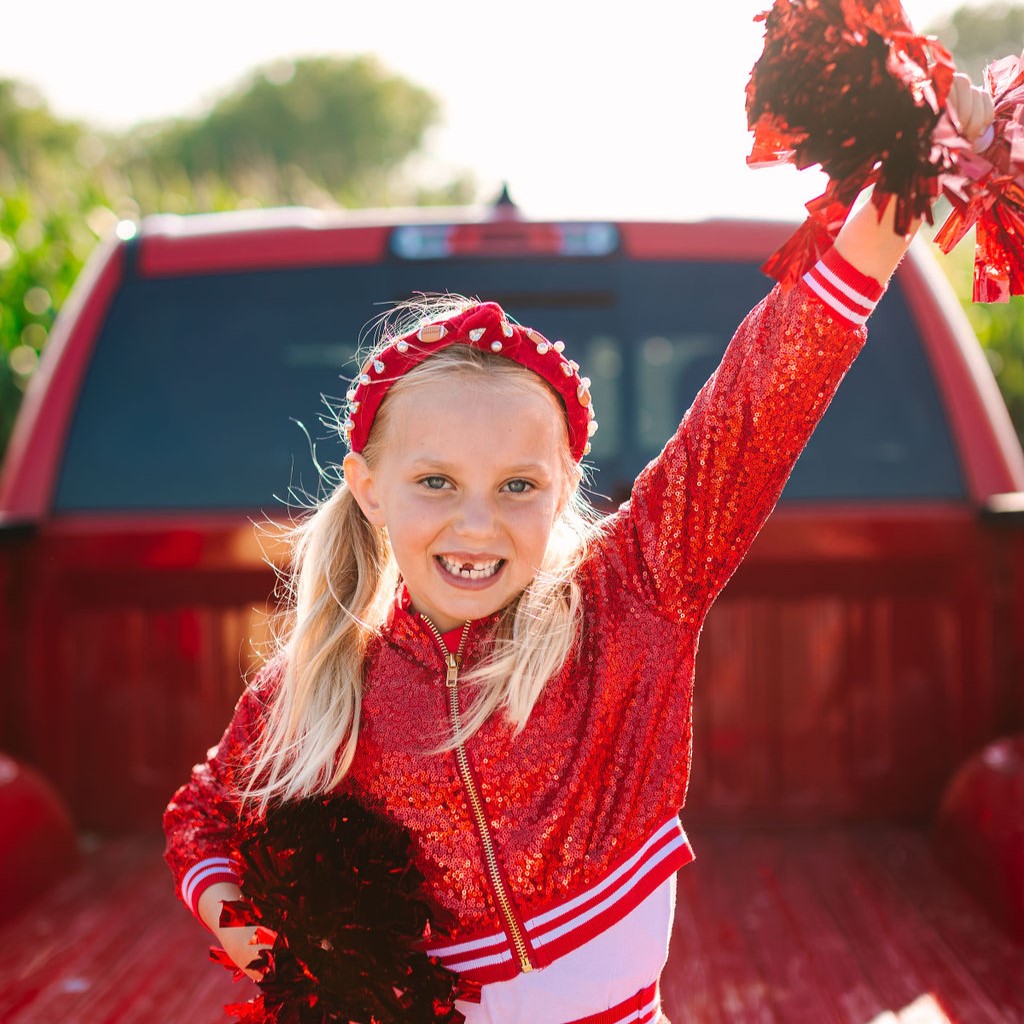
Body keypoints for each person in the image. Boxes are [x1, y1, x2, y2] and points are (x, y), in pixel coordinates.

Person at [163, 77, 994, 1024]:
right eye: (436, 482)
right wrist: (281, 948)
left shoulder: (630, 599)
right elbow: (203, 820)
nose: (477, 525)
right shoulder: (321, 679)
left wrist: (896, 198)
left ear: (563, 490)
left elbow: (761, 398)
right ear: (369, 487)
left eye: (518, 486)